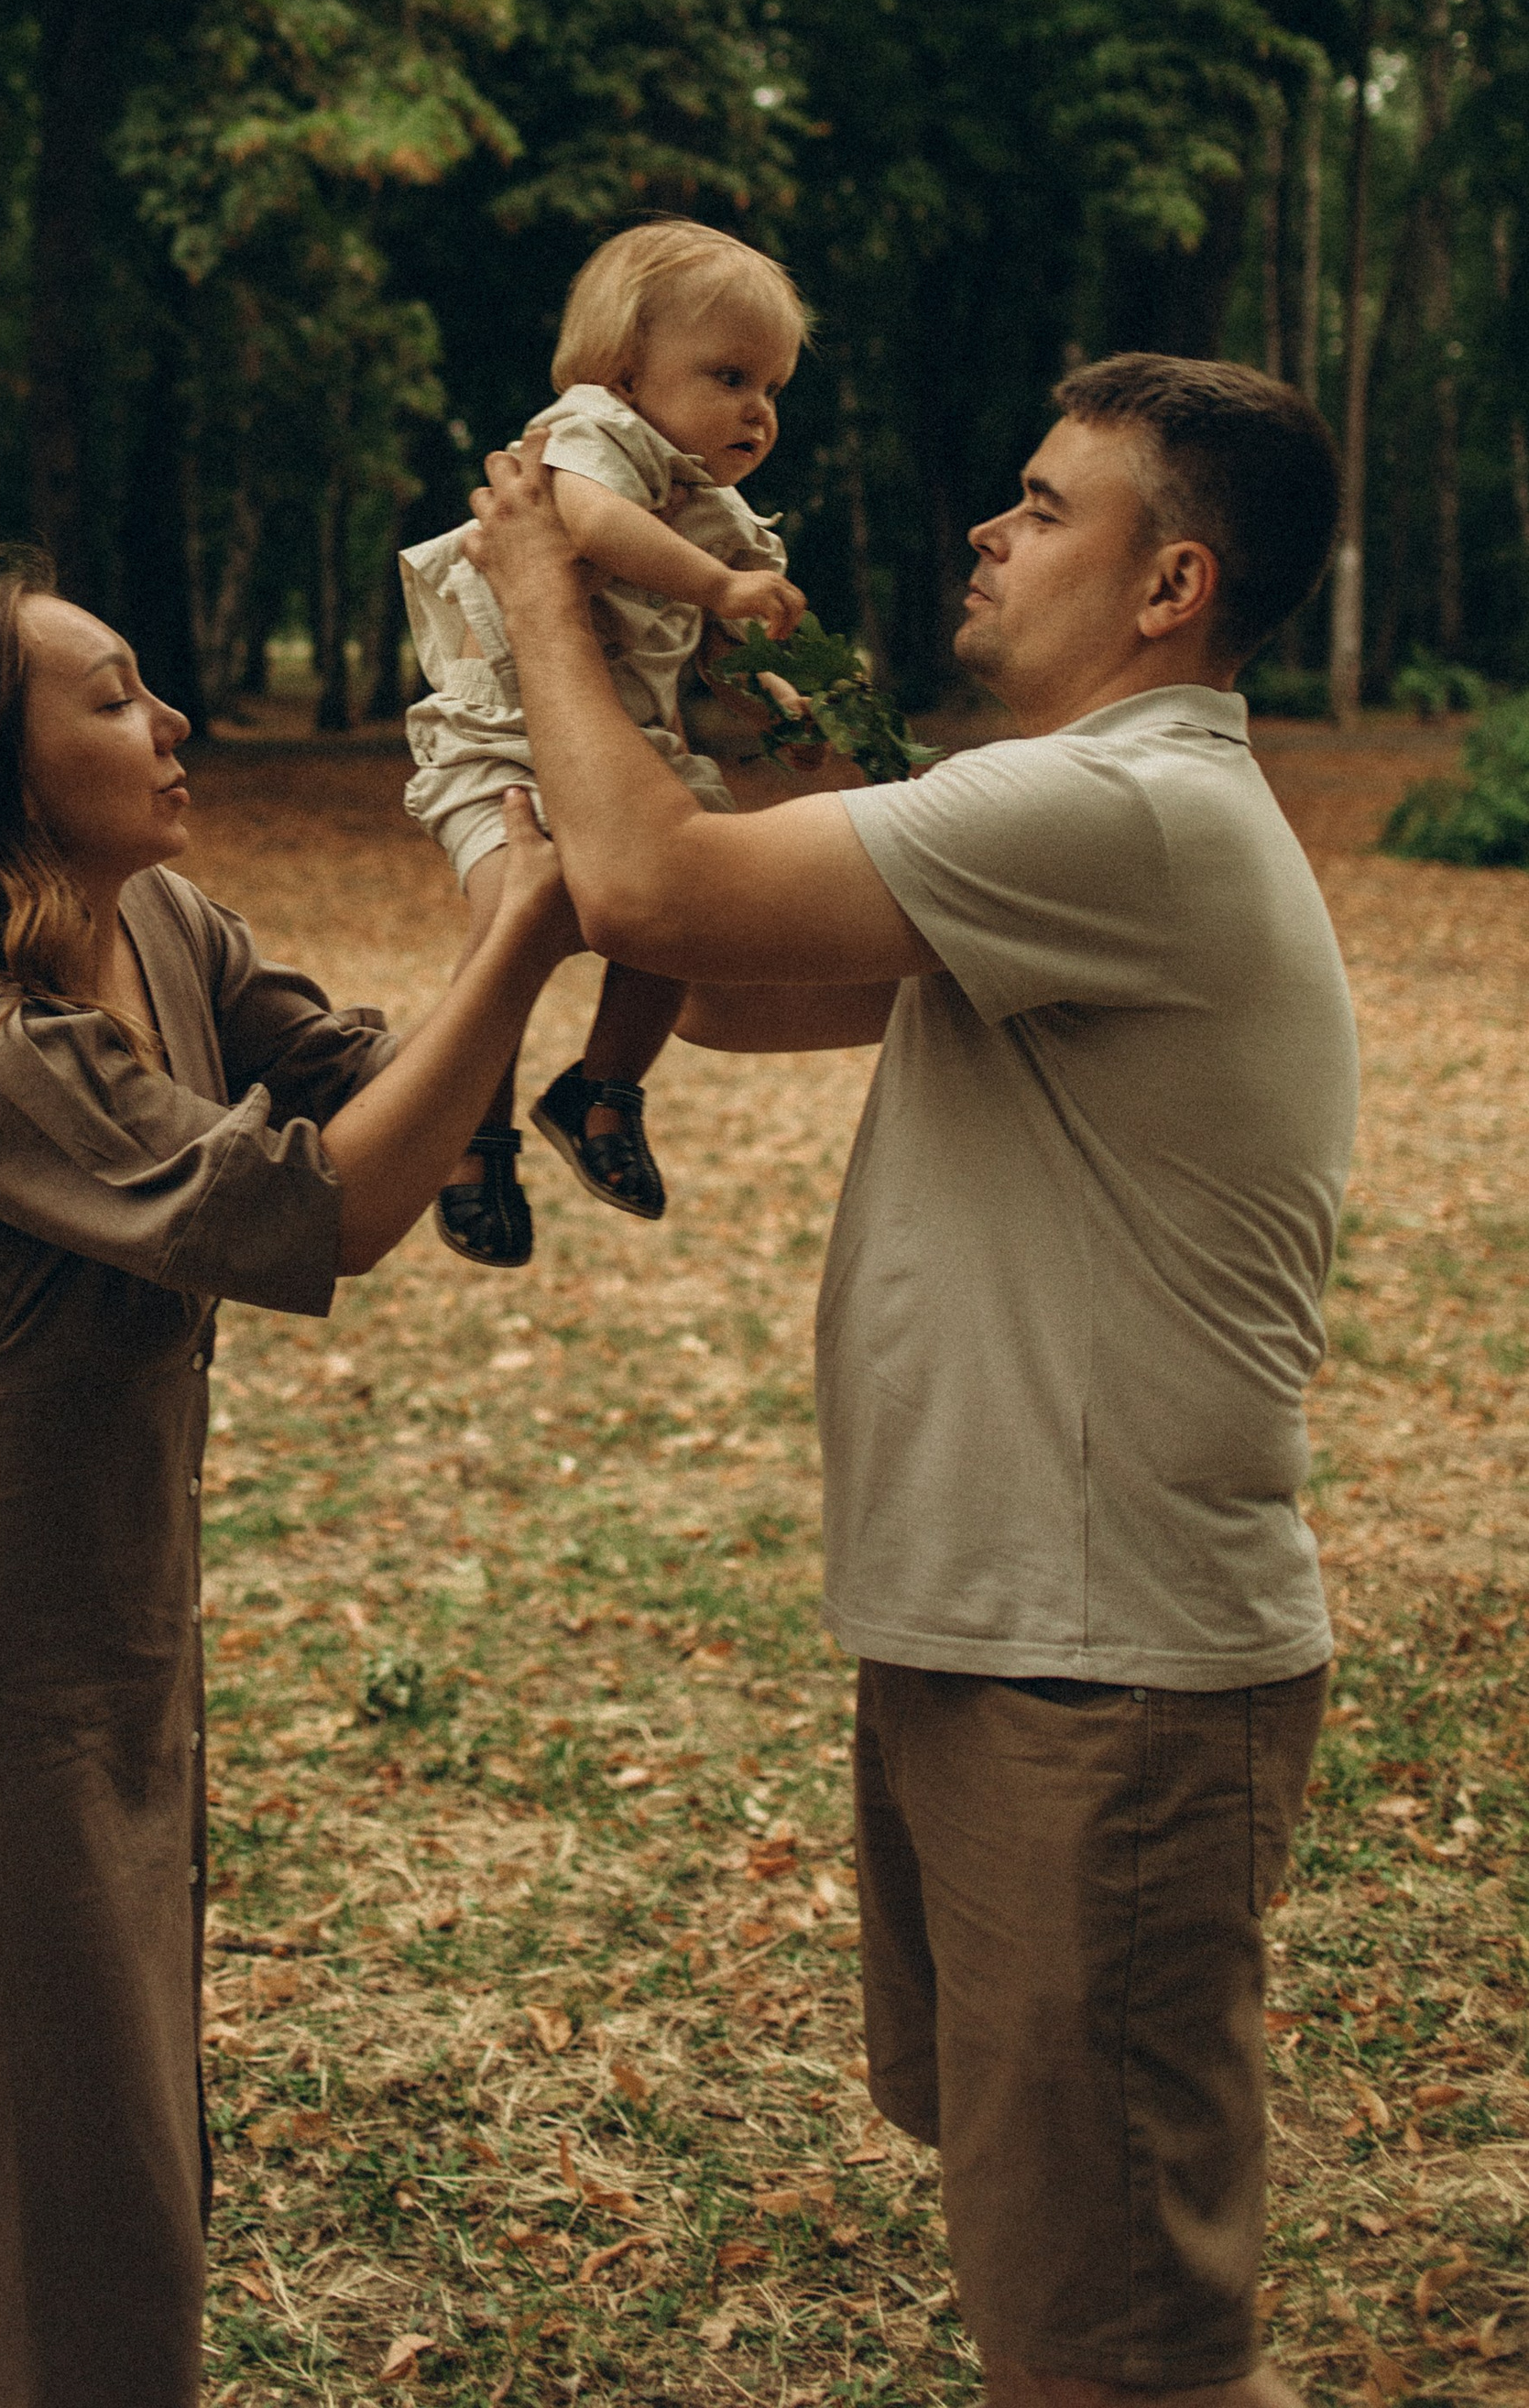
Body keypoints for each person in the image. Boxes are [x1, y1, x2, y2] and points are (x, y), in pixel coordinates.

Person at [464, 354, 1354, 2408]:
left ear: (1168, 587)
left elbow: (661, 891)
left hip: (1102, 1674)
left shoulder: (1124, 810)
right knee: (1052, 2246)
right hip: (1013, 1642)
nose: (987, 524)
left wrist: (533, 573)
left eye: (1043, 506)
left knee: (1114, 2329)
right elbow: (741, 988)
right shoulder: (1071, 833)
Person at [0, 561, 575, 2408]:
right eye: (115, 696)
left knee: (63, 2150)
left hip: (101, 1630)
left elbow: (383, 1098)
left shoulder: (170, 932)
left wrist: (549, 892)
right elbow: (308, 1209)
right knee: (10, 2164)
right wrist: (525, 929)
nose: (172, 722)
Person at [399, 218, 807, 1267]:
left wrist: (764, 689)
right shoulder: (588, 434)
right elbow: (581, 522)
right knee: (513, 918)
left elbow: (710, 650)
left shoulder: (712, 507)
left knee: (690, 901)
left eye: (771, 388)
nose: (756, 412)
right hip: (503, 744)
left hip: (629, 751)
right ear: (626, 370)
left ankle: (602, 1091)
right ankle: (471, 1134)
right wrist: (717, 585)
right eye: (728, 376)